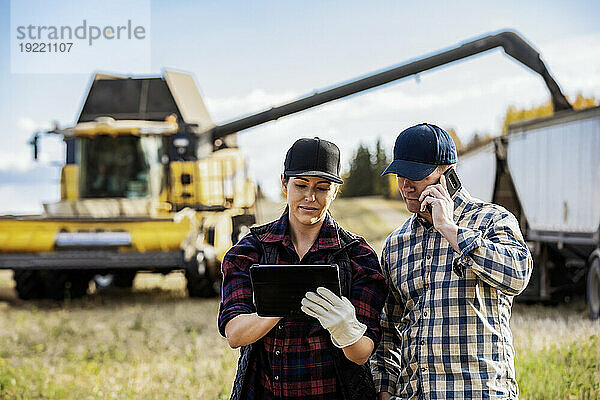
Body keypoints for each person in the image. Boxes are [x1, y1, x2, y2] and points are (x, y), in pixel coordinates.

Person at [371, 123, 533, 400]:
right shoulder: (396, 244)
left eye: (415, 175)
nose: (405, 185)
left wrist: (449, 228)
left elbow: (518, 275)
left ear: (447, 175)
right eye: (400, 174)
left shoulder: (493, 220)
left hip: (481, 393)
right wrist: (385, 393)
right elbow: (385, 332)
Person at [218, 137, 388, 400]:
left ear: (334, 191)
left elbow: (363, 352)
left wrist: (346, 329)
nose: (311, 197)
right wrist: (285, 301)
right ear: (284, 183)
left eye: (322, 188)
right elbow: (235, 334)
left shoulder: (358, 257)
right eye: (301, 185)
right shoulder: (250, 251)